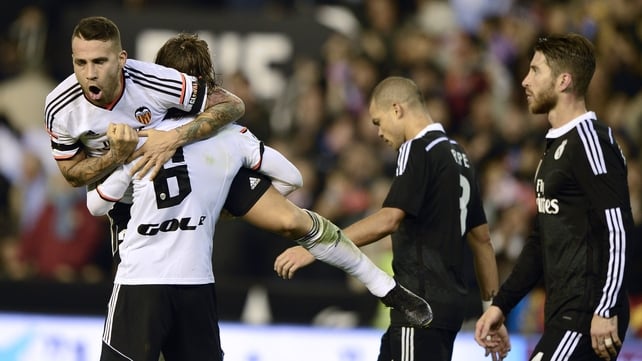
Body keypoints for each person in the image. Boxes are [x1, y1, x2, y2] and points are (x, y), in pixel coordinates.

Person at [86, 33, 434, 361]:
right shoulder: (231, 133)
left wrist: (121, 165)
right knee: (296, 221)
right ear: (207, 82)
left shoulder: (136, 133)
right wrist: (229, 205)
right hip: (195, 282)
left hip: (141, 279)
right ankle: (384, 286)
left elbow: (96, 204)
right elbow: (292, 177)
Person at [275, 76, 508, 361]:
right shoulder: (460, 156)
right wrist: (492, 312)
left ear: (397, 110)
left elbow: (389, 219)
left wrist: (318, 246)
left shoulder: (416, 147)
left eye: (378, 121)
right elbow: (482, 241)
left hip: (419, 305)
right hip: (447, 309)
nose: (379, 132)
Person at [474, 33, 633, 360]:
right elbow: (540, 240)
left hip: (587, 314)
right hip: (564, 313)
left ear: (563, 81)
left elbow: (618, 228)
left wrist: (603, 308)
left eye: (535, 71)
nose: (524, 80)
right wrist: (501, 306)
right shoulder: (554, 149)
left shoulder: (590, 142)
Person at [44, 16, 245, 191]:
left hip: (170, 183)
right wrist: (115, 156)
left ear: (121, 59)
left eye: (99, 62)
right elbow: (71, 175)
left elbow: (233, 104)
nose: (90, 74)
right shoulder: (59, 108)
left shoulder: (154, 81)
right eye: (81, 63)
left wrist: (172, 138)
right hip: (116, 197)